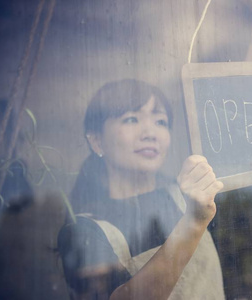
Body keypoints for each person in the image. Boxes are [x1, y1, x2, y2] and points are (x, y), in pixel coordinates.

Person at [58, 79, 225, 299]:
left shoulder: (190, 196)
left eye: (161, 122)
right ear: (97, 141)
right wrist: (193, 222)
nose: (150, 133)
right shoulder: (84, 229)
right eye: (131, 119)